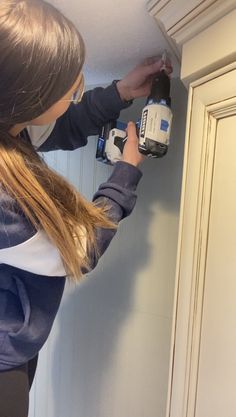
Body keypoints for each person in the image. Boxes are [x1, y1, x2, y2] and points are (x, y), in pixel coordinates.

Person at [0, 0, 173, 416]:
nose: (77, 87)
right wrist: (125, 175)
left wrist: (120, 93)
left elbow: (56, 127)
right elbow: (76, 249)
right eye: (71, 85)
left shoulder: (11, 127)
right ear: (31, 95)